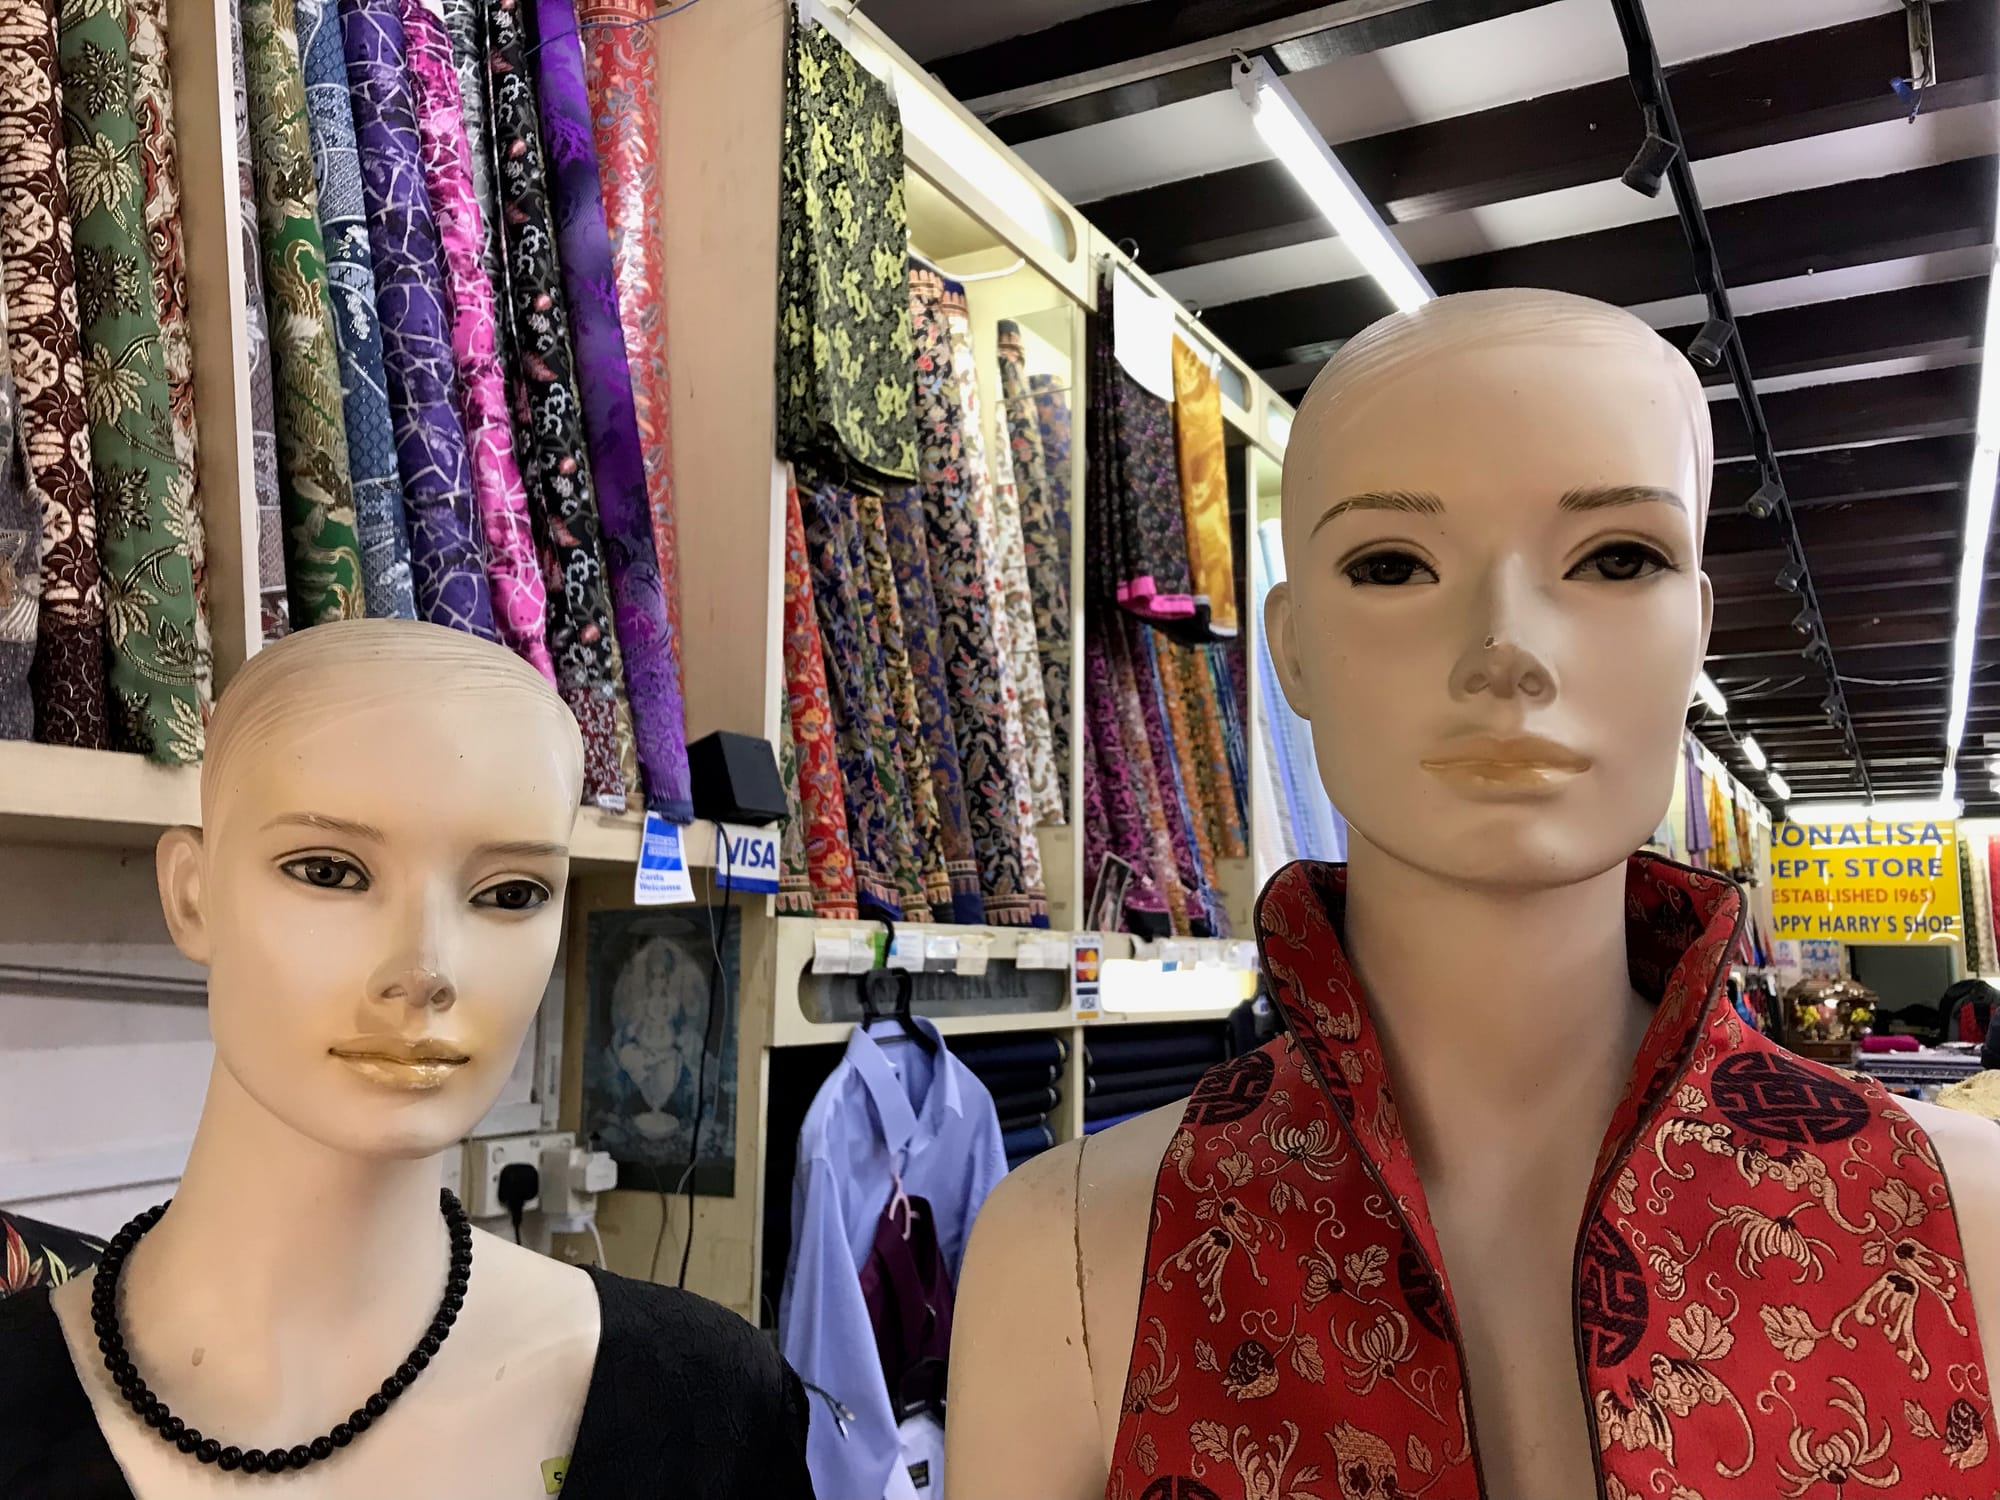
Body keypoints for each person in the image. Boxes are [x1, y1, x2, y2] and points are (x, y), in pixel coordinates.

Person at [947, 290, 2000, 1500]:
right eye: (1392, 564)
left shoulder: (1957, 1221)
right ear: (1288, 647)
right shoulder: (1073, 1259)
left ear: (1694, 631)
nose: (1505, 648)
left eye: (1615, 557)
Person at [0, 620, 814, 1499]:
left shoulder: (708, 1409)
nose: (425, 970)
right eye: (330, 872)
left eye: (509, 892)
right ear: (191, 895)